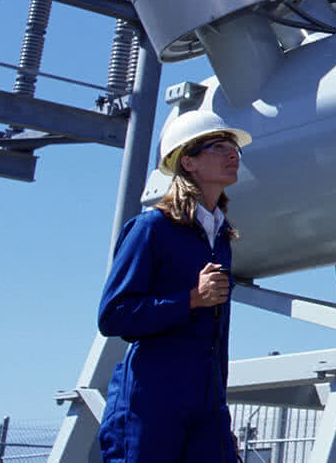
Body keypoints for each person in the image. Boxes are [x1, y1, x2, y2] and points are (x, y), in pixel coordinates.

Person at [97, 110, 252, 462]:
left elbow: (217, 336)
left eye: (234, 148)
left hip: (205, 408)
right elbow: (113, 315)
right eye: (219, 146)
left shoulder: (221, 238)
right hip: (151, 403)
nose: (232, 154)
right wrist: (192, 299)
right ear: (188, 162)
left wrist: (216, 413)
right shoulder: (151, 228)